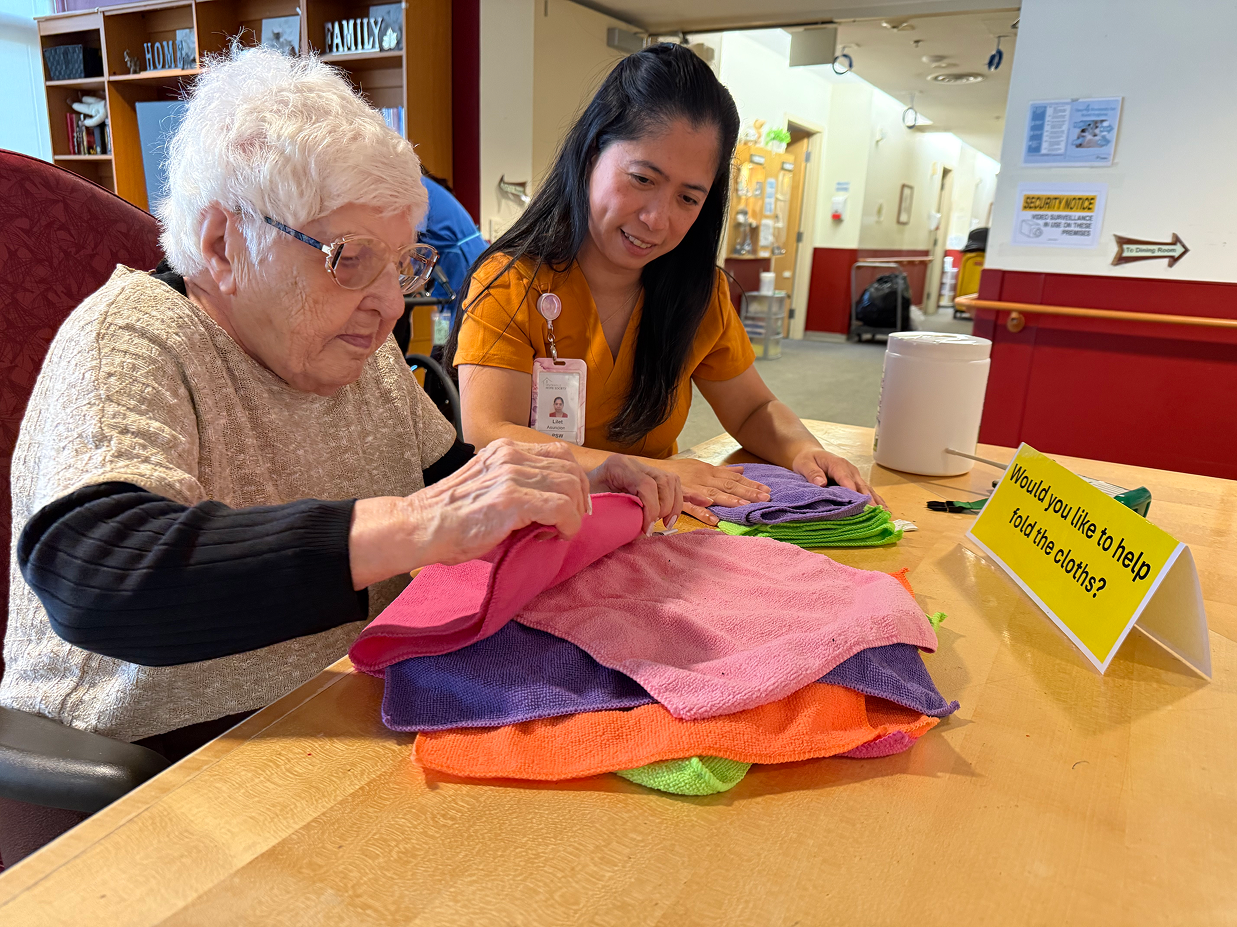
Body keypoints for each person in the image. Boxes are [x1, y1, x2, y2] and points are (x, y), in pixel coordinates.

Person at [0, 46, 683, 756]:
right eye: (348, 258)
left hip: (345, 710)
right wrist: (416, 523)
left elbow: (449, 482)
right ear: (224, 244)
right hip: (163, 767)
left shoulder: (354, 347)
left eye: (401, 262)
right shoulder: (132, 336)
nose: (389, 303)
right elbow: (98, 574)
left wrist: (565, 476)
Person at [451, 44, 883, 526]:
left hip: (651, 527)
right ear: (593, 151)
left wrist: (804, 451)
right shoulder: (510, 284)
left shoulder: (700, 294)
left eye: (688, 198)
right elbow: (491, 433)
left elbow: (752, 408)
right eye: (641, 179)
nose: (658, 220)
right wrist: (648, 471)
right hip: (535, 527)